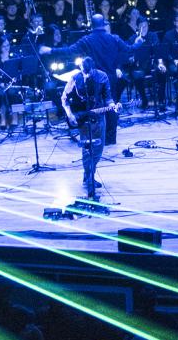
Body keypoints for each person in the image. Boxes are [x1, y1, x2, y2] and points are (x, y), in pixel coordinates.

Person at [45, 13, 131, 144]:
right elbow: (129, 49)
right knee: (111, 105)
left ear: (92, 24)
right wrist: (139, 42)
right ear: (103, 24)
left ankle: (96, 137)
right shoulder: (114, 38)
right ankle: (111, 139)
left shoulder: (87, 39)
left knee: (94, 107)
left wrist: (51, 50)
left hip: (95, 78)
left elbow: (69, 50)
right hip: (111, 77)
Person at [62, 56, 117, 201]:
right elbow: (64, 98)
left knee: (98, 148)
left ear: (92, 68)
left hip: (98, 116)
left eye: (88, 72)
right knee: (87, 150)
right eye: (83, 72)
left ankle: (87, 175)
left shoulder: (102, 77)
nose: (85, 75)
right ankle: (90, 179)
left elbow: (108, 96)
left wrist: (111, 105)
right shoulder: (74, 79)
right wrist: (70, 114)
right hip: (83, 118)